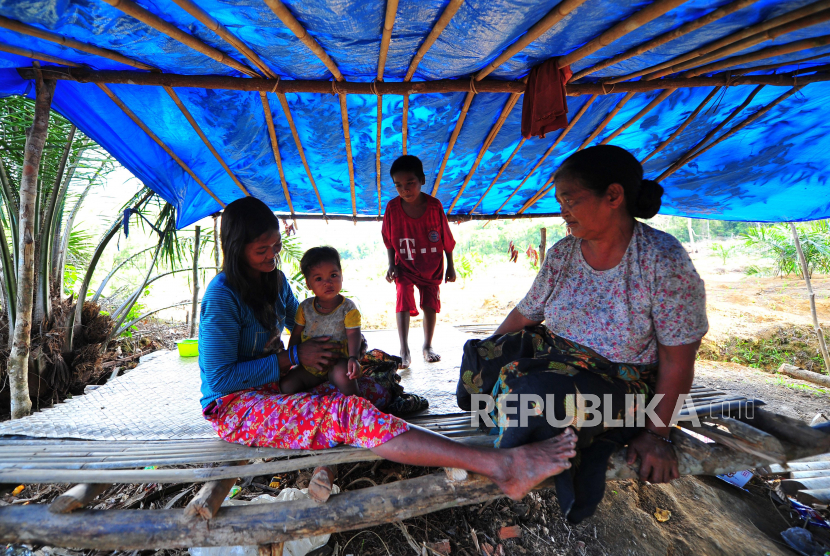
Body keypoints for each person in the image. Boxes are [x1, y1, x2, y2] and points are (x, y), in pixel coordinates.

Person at [199, 196, 578, 501]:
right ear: (236, 248)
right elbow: (219, 378)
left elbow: (300, 323)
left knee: (369, 373)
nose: (273, 256)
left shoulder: (274, 280)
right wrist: (293, 358)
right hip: (235, 404)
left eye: (276, 246)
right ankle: (500, 465)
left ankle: (375, 410)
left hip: (277, 383)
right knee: (349, 410)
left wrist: (334, 344)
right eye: (262, 250)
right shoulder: (222, 298)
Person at [458, 145, 708, 523]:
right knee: (480, 357)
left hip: (617, 378)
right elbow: (526, 312)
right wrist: (491, 349)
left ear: (613, 196)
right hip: (556, 355)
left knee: (538, 395)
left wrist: (658, 435)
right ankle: (533, 421)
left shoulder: (662, 259)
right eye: (560, 201)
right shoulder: (564, 253)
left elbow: (677, 360)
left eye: (570, 200)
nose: (563, 211)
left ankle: (516, 459)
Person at [382, 155, 456, 368]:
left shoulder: (434, 206)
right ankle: (404, 348)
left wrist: (450, 265)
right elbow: (388, 239)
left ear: (422, 180)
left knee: (430, 304)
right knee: (403, 296)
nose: (405, 189)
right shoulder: (392, 208)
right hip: (404, 264)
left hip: (431, 264)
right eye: (398, 185)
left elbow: (446, 237)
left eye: (410, 183)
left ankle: (427, 345)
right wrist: (391, 264)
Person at [280, 246, 362, 396]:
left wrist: (353, 358)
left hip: (337, 361)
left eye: (333, 275)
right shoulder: (305, 308)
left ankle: (356, 411)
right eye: (319, 278)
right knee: (286, 385)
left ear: (342, 276)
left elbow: (353, 334)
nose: (327, 282)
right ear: (309, 285)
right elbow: (296, 334)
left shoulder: (348, 307)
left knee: (346, 379)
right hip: (310, 366)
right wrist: (291, 359)